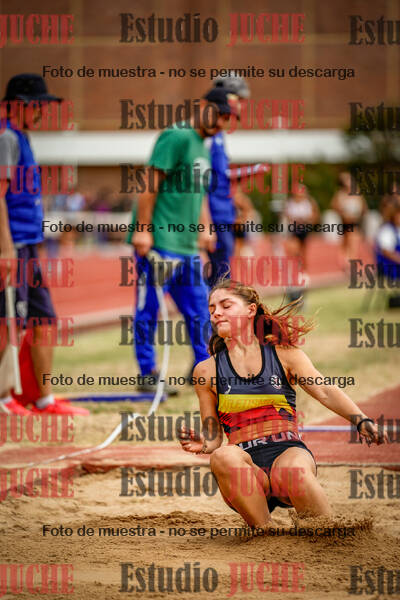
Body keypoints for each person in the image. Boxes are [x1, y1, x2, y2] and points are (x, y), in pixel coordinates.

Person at [179, 279, 387, 530]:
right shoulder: (205, 371)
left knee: (294, 471)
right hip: (247, 469)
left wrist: (361, 420)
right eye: (212, 308)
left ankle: (329, 534)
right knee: (222, 456)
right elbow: (214, 436)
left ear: (251, 310)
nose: (216, 313)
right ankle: (265, 534)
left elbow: (323, 390)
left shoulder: (284, 353)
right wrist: (205, 444)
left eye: (225, 305)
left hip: (287, 453)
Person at [127, 88, 235, 393]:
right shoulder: (176, 136)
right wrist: (143, 229)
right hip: (161, 242)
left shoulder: (203, 147)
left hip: (187, 247)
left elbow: (198, 195)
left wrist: (205, 228)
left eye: (227, 118)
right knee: (149, 309)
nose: (221, 122)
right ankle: (148, 374)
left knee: (200, 311)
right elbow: (150, 183)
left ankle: (206, 371)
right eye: (218, 113)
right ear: (202, 105)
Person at [0, 73, 88, 416]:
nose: (42, 112)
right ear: (20, 104)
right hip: (13, 244)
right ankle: (3, 397)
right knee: (8, 320)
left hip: (28, 244)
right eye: (38, 105)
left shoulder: (21, 137)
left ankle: (43, 399)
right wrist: (6, 249)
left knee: (43, 320)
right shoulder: (7, 137)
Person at [331, 171, 368, 269]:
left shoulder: (357, 193)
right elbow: (334, 206)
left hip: (355, 221)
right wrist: (343, 213)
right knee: (346, 242)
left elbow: (364, 207)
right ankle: (344, 260)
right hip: (345, 222)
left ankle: (351, 261)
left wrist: (359, 215)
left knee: (353, 241)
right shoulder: (340, 194)